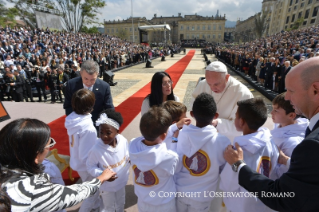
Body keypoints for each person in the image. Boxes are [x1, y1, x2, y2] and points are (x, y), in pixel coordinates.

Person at [223, 57, 319, 211]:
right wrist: (288, 162)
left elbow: (284, 196)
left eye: (291, 91)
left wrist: (238, 165)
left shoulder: (312, 145)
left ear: (315, 90)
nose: (286, 97)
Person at [0, 118, 116, 212]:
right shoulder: (33, 190)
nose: (50, 147)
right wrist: (101, 178)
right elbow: (76, 193)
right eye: (49, 145)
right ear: (36, 156)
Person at [220, 98, 279, 212]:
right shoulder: (269, 141)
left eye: (236, 116)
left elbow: (228, 184)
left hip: (242, 205)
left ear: (242, 122)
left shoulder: (237, 152)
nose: (234, 120)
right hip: (263, 201)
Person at [175, 93, 231, 212]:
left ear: (192, 114)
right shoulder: (222, 141)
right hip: (202, 197)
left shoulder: (182, 134)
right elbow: (225, 169)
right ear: (216, 116)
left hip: (180, 191)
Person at [129, 106, 179, 212]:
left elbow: (157, 139)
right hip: (164, 204)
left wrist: (174, 126)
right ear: (164, 136)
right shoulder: (169, 157)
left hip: (143, 201)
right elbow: (176, 171)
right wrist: (174, 139)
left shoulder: (132, 146)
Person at [191, 61, 253, 142]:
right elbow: (193, 106)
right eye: (209, 84)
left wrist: (217, 123)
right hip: (206, 139)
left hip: (229, 143)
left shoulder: (243, 93)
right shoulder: (203, 84)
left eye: (216, 84)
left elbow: (243, 126)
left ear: (227, 77)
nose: (212, 88)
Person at [64, 89, 101, 212]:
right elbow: (86, 155)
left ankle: (97, 207)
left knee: (90, 190)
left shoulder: (73, 119)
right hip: (86, 166)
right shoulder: (87, 127)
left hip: (77, 162)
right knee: (92, 193)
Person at [87, 109, 129, 212]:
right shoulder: (96, 149)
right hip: (107, 186)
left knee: (120, 202)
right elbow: (90, 166)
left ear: (117, 132)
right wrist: (102, 174)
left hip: (121, 182)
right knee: (108, 206)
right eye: (101, 132)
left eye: (108, 132)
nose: (104, 136)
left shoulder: (123, 141)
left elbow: (127, 154)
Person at [270, 92, 308, 177]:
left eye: (276, 111)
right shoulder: (279, 125)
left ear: (291, 115)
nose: (271, 113)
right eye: (272, 109)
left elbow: (284, 173)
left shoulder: (292, 143)